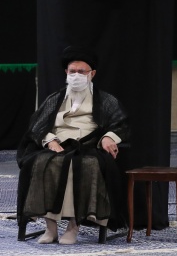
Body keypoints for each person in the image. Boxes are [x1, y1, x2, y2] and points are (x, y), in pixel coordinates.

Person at [16, 46, 130, 244]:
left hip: (88, 146)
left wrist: (108, 137)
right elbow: (36, 125)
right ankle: (51, 228)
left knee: (83, 165)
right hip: (57, 145)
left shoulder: (104, 100)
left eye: (81, 72)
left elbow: (121, 123)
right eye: (72, 71)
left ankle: (73, 227)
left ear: (92, 74)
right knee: (40, 163)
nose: (76, 76)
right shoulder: (55, 99)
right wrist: (50, 140)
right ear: (66, 73)